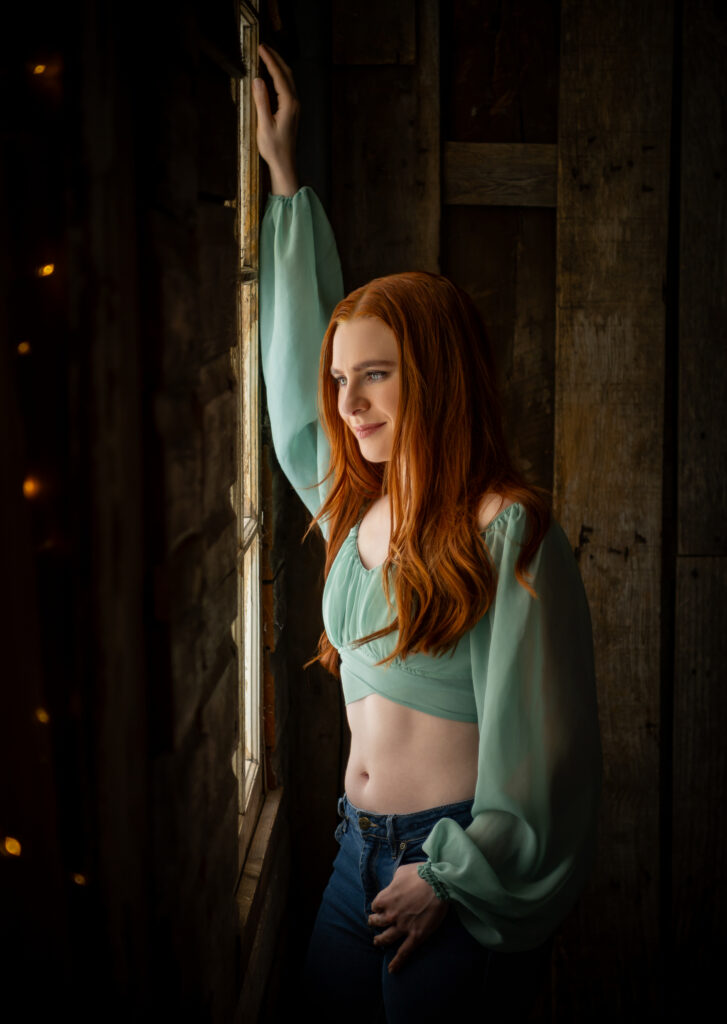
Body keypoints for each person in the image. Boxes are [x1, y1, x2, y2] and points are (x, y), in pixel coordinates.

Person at [253, 43, 602, 1023]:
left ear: (436, 375)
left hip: (450, 865)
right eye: (341, 376)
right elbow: (290, 390)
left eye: (377, 374)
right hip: (349, 850)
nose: (347, 401)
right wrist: (284, 181)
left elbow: (548, 752)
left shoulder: (510, 530)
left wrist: (451, 876)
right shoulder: (350, 494)